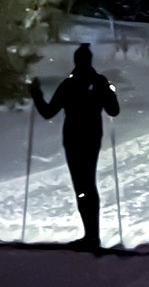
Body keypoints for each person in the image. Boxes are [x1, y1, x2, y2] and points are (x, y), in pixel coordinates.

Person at [31, 43, 120, 250]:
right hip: (91, 138)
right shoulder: (99, 82)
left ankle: (91, 236)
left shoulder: (69, 84)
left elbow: (48, 112)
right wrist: (110, 92)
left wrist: (36, 94)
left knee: (82, 185)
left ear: (76, 61)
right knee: (88, 183)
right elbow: (113, 111)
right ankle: (92, 235)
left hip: (73, 138)